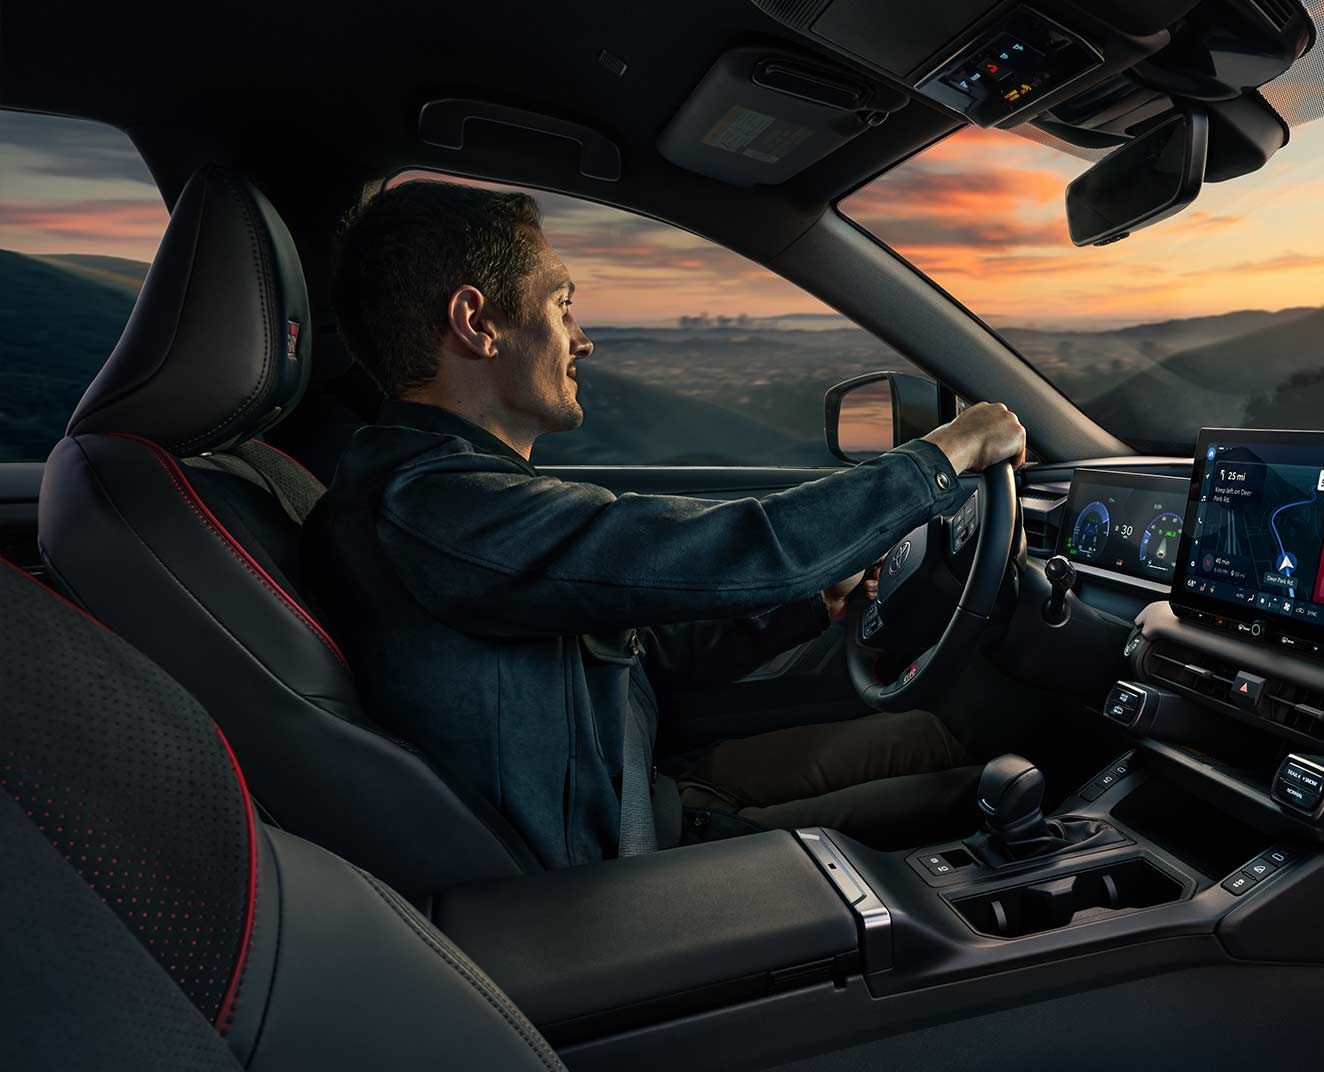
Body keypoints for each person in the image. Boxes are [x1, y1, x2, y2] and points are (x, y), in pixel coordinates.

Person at [305, 181, 1026, 868]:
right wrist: (946, 452)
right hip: (622, 872)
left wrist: (809, 605)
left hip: (642, 792)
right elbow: (729, 550)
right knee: (986, 795)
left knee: (925, 739)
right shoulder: (432, 508)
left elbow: (628, 648)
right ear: (478, 323)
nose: (582, 340)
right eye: (561, 305)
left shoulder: (434, 488)